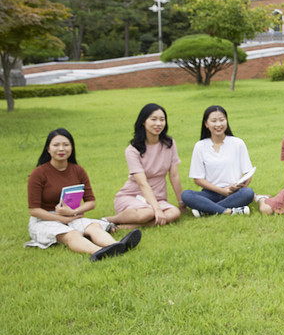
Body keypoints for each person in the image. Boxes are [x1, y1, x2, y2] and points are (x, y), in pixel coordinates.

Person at [25, 128, 141, 262]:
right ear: (48, 149)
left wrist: (73, 211)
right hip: (44, 219)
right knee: (72, 234)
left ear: (72, 148)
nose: (61, 149)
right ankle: (99, 252)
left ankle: (116, 245)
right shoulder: (38, 174)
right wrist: (61, 219)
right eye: (56, 145)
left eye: (66, 145)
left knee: (94, 227)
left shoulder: (78, 171)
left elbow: (91, 202)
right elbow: (34, 210)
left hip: (71, 215)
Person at [109, 103, 184, 228]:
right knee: (147, 213)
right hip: (132, 196)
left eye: (162, 119)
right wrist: (157, 209)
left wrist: (181, 203)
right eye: (153, 119)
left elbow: (174, 175)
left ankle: (122, 227)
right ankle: (109, 220)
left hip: (158, 198)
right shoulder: (132, 150)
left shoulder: (169, 143)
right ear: (143, 122)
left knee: (174, 213)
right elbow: (142, 183)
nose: (158, 123)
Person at [181, 105, 255, 217]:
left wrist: (240, 186)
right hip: (210, 193)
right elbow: (198, 179)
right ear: (206, 123)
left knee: (248, 193)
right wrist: (221, 191)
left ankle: (206, 209)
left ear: (226, 121)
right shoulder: (200, 146)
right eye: (214, 121)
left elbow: (248, 173)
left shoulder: (237, 143)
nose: (218, 124)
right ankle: (227, 211)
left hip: (232, 192)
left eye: (222, 120)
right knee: (186, 195)